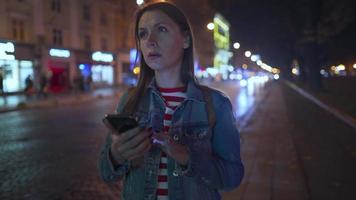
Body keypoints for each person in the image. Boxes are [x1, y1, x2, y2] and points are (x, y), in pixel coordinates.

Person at [98, 2, 244, 200]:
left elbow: (232, 176)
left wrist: (186, 156)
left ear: (185, 39)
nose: (150, 40)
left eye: (162, 29)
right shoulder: (130, 101)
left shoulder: (216, 104)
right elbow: (106, 173)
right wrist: (116, 155)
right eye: (142, 33)